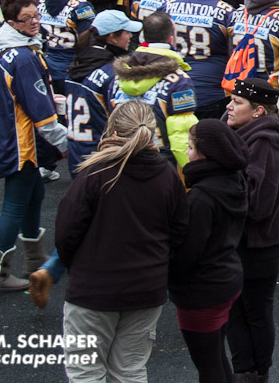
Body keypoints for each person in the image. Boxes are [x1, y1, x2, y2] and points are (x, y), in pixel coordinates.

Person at [56, 101, 189, 380]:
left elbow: (66, 231)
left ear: (113, 131)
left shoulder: (95, 173)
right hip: (146, 288)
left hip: (93, 289)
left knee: (85, 371)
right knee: (130, 370)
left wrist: (75, 266)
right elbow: (178, 232)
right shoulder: (167, 175)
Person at [0, 0, 67, 293]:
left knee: (34, 193)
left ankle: (34, 259)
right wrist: (65, 143)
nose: (34, 22)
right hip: (18, 141)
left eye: (36, 16)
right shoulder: (23, 57)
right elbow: (40, 111)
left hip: (5, 133)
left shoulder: (6, 49)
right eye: (26, 18)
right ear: (12, 22)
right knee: (15, 202)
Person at [224, 78, 279, 382]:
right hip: (244, 243)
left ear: (258, 111)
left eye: (237, 102)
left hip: (260, 246)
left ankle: (255, 372)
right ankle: (245, 369)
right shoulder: (238, 133)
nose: (229, 106)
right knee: (235, 310)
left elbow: (258, 204)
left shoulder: (264, 142)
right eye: (231, 100)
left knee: (255, 311)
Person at [170, 120, 248, 383]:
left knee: (208, 365)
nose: (187, 152)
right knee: (216, 357)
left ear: (207, 153)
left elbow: (187, 253)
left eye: (191, 147)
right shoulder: (234, 179)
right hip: (227, 277)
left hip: (201, 290)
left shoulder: (201, 198)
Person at [112, 11, 199, 168]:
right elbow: (181, 134)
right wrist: (191, 170)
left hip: (122, 156)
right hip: (161, 162)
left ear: (143, 38)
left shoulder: (120, 75)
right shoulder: (179, 81)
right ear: (171, 39)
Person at [63, 9, 138, 178]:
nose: (130, 36)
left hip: (78, 157)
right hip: (104, 160)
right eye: (126, 32)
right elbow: (124, 121)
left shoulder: (75, 66)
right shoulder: (111, 74)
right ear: (113, 37)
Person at [168, 0, 234, 122]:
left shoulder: (168, 5)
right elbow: (234, 54)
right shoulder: (226, 12)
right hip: (212, 92)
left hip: (174, 87)